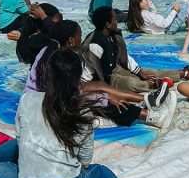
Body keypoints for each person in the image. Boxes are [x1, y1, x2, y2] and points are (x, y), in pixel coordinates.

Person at [0, 48, 169, 178]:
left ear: (47, 74)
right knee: (98, 171)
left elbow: (21, 139)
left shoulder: (27, 100)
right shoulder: (83, 108)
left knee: (0, 168)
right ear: (78, 77)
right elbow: (85, 160)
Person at [32, 20, 176, 129]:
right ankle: (151, 117)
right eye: (79, 36)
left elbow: (73, 85)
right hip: (47, 102)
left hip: (55, 95)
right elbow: (67, 92)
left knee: (99, 87)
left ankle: (146, 99)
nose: (81, 40)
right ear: (70, 40)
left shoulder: (54, 51)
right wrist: (105, 98)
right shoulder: (57, 59)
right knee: (104, 101)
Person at [87, 6, 189, 94]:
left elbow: (126, 58)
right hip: (106, 77)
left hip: (117, 68)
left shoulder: (115, 35)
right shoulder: (95, 43)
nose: (117, 21)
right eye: (114, 19)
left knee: (149, 72)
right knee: (130, 82)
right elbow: (93, 70)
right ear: (107, 24)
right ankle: (153, 85)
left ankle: (183, 73)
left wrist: (140, 72)